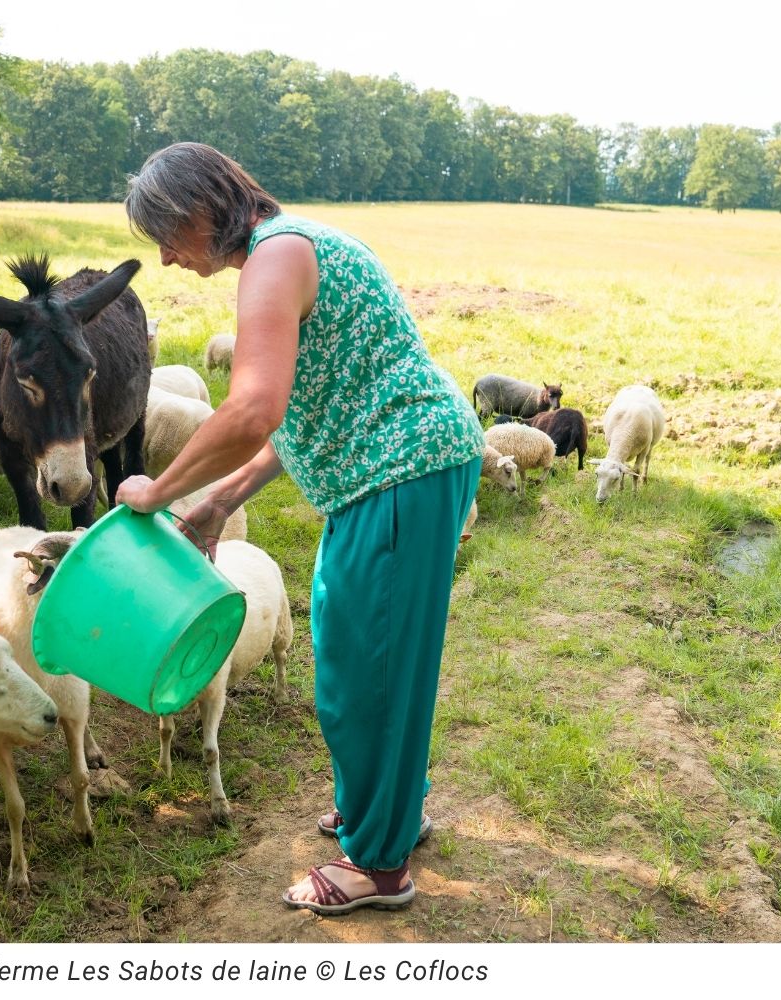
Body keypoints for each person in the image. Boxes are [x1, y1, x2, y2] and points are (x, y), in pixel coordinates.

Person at [114, 142, 484, 915]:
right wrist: (219, 500)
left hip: (399, 472)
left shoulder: (275, 260)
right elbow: (311, 405)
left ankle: (378, 866)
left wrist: (162, 489)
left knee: (367, 671)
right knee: (370, 654)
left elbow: (254, 409)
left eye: (165, 236)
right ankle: (385, 813)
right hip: (394, 470)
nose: (166, 257)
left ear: (198, 212)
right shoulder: (294, 245)